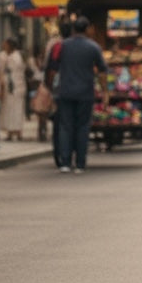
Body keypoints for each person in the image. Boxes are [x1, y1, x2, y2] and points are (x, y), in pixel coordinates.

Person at [55, 15, 107, 174]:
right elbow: (103, 71)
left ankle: (65, 162)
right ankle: (80, 163)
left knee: (65, 127)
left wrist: (52, 88)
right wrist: (105, 91)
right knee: (82, 127)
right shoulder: (93, 47)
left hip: (65, 91)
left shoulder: (62, 46)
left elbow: (52, 67)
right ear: (87, 29)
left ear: (73, 29)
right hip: (85, 92)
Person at [44, 18, 72, 167]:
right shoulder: (79, 45)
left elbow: (51, 70)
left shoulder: (57, 46)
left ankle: (62, 154)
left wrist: (49, 88)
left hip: (60, 90)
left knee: (60, 123)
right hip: (76, 89)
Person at [0, 36, 26, 140]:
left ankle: (16, 132)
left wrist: (3, 87)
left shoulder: (13, 57)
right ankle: (12, 131)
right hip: (15, 86)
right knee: (12, 110)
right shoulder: (15, 56)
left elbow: (7, 73)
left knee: (15, 109)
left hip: (13, 86)